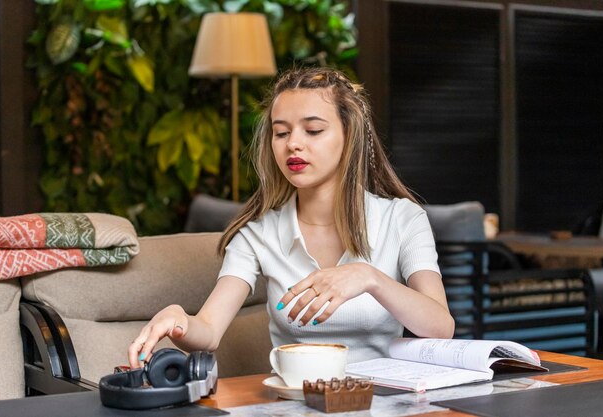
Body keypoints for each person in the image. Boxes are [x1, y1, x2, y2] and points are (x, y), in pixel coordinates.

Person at [128, 67, 454, 368]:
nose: (293, 144)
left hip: (383, 399)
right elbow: (210, 331)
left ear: (349, 136)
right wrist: (179, 320)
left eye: (313, 130)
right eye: (281, 133)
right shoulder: (257, 234)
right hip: (296, 400)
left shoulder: (402, 218)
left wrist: (370, 278)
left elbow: (441, 327)